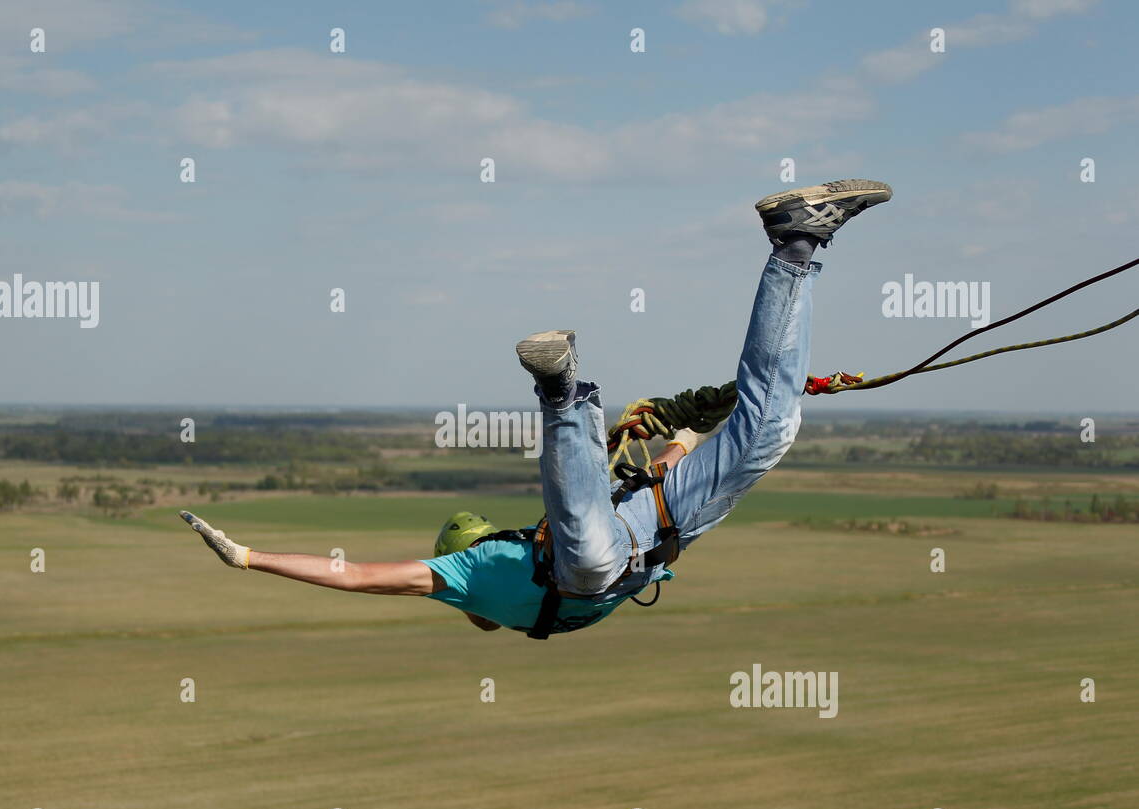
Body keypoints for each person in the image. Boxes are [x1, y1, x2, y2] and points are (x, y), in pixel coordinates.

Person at [181, 179, 893, 638]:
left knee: (583, 531)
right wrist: (680, 438)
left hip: (608, 552)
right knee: (768, 428)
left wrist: (250, 558)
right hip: (665, 522)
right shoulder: (502, 562)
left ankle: (562, 394)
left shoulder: (466, 580)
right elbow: (642, 486)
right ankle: (795, 245)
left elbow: (355, 575)